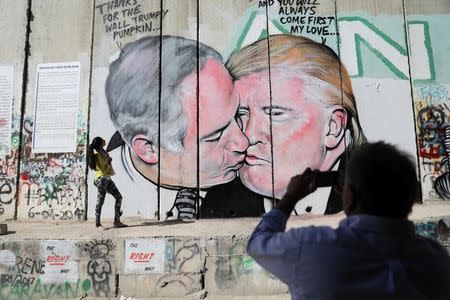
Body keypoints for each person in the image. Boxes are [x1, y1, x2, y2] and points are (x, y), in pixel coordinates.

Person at [247, 141, 450, 299]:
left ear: (350, 198)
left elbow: (258, 243)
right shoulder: (435, 260)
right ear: (408, 199)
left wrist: (290, 197)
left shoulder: (311, 247)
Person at [202, 34, 366, 217]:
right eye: (241, 114)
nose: (248, 136)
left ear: (333, 126)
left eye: (275, 114)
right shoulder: (220, 201)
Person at [105, 35, 249, 218]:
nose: (243, 142)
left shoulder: (258, 184)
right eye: (216, 136)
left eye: (238, 115)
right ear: (149, 148)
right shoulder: (109, 197)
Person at [87, 136, 127, 228]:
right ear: (100, 144)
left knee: (118, 197)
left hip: (107, 179)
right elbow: (103, 170)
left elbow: (107, 168)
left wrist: (109, 161)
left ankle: (117, 221)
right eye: (103, 140)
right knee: (100, 201)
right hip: (102, 180)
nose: (105, 140)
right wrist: (109, 163)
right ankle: (98, 224)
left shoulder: (104, 153)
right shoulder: (98, 156)